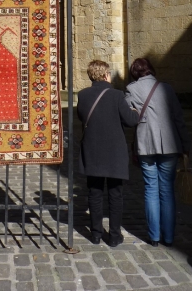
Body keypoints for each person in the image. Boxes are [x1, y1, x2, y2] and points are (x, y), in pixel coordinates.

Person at [125, 58, 191, 247]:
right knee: (167, 190)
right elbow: (179, 118)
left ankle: (154, 236)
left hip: (145, 144)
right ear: (151, 70)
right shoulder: (167, 88)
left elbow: (129, 118)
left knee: (150, 190)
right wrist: (186, 144)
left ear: (134, 74)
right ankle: (168, 237)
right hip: (170, 145)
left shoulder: (131, 90)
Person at [77, 60, 139, 246]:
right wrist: (135, 111)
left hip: (93, 150)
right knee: (115, 194)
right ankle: (114, 235)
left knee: (94, 193)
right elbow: (130, 120)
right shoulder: (116, 95)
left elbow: (81, 116)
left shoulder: (83, 95)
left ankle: (95, 234)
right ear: (105, 75)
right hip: (114, 152)